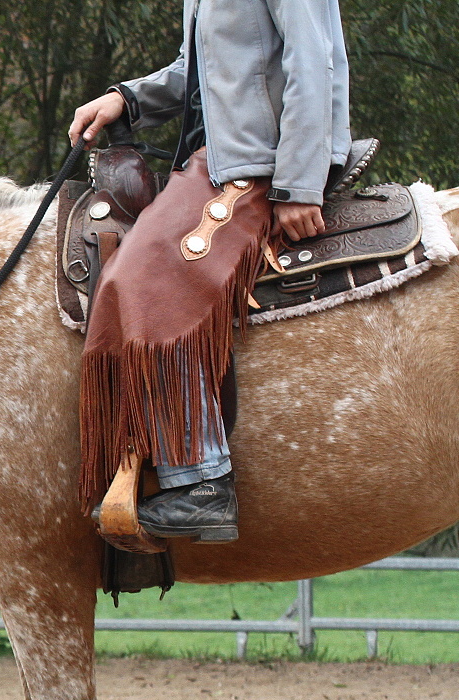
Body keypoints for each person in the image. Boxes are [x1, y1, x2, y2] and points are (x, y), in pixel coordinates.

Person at [65, 0, 351, 542]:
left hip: (259, 163)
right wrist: (124, 98)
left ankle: (202, 481)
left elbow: (314, 64)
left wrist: (298, 183)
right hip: (209, 163)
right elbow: (200, 72)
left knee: (145, 276)